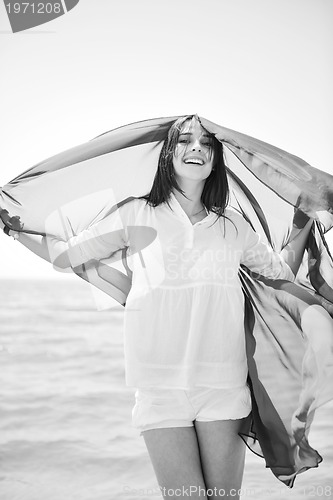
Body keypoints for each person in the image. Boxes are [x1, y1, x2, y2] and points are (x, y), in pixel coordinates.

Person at [1, 115, 330, 499]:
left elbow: (279, 273)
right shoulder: (136, 214)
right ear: (168, 154)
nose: (196, 149)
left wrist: (307, 218)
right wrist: (17, 228)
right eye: (186, 141)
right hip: (158, 386)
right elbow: (70, 255)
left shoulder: (233, 227)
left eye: (206, 144)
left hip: (222, 383)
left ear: (215, 159)